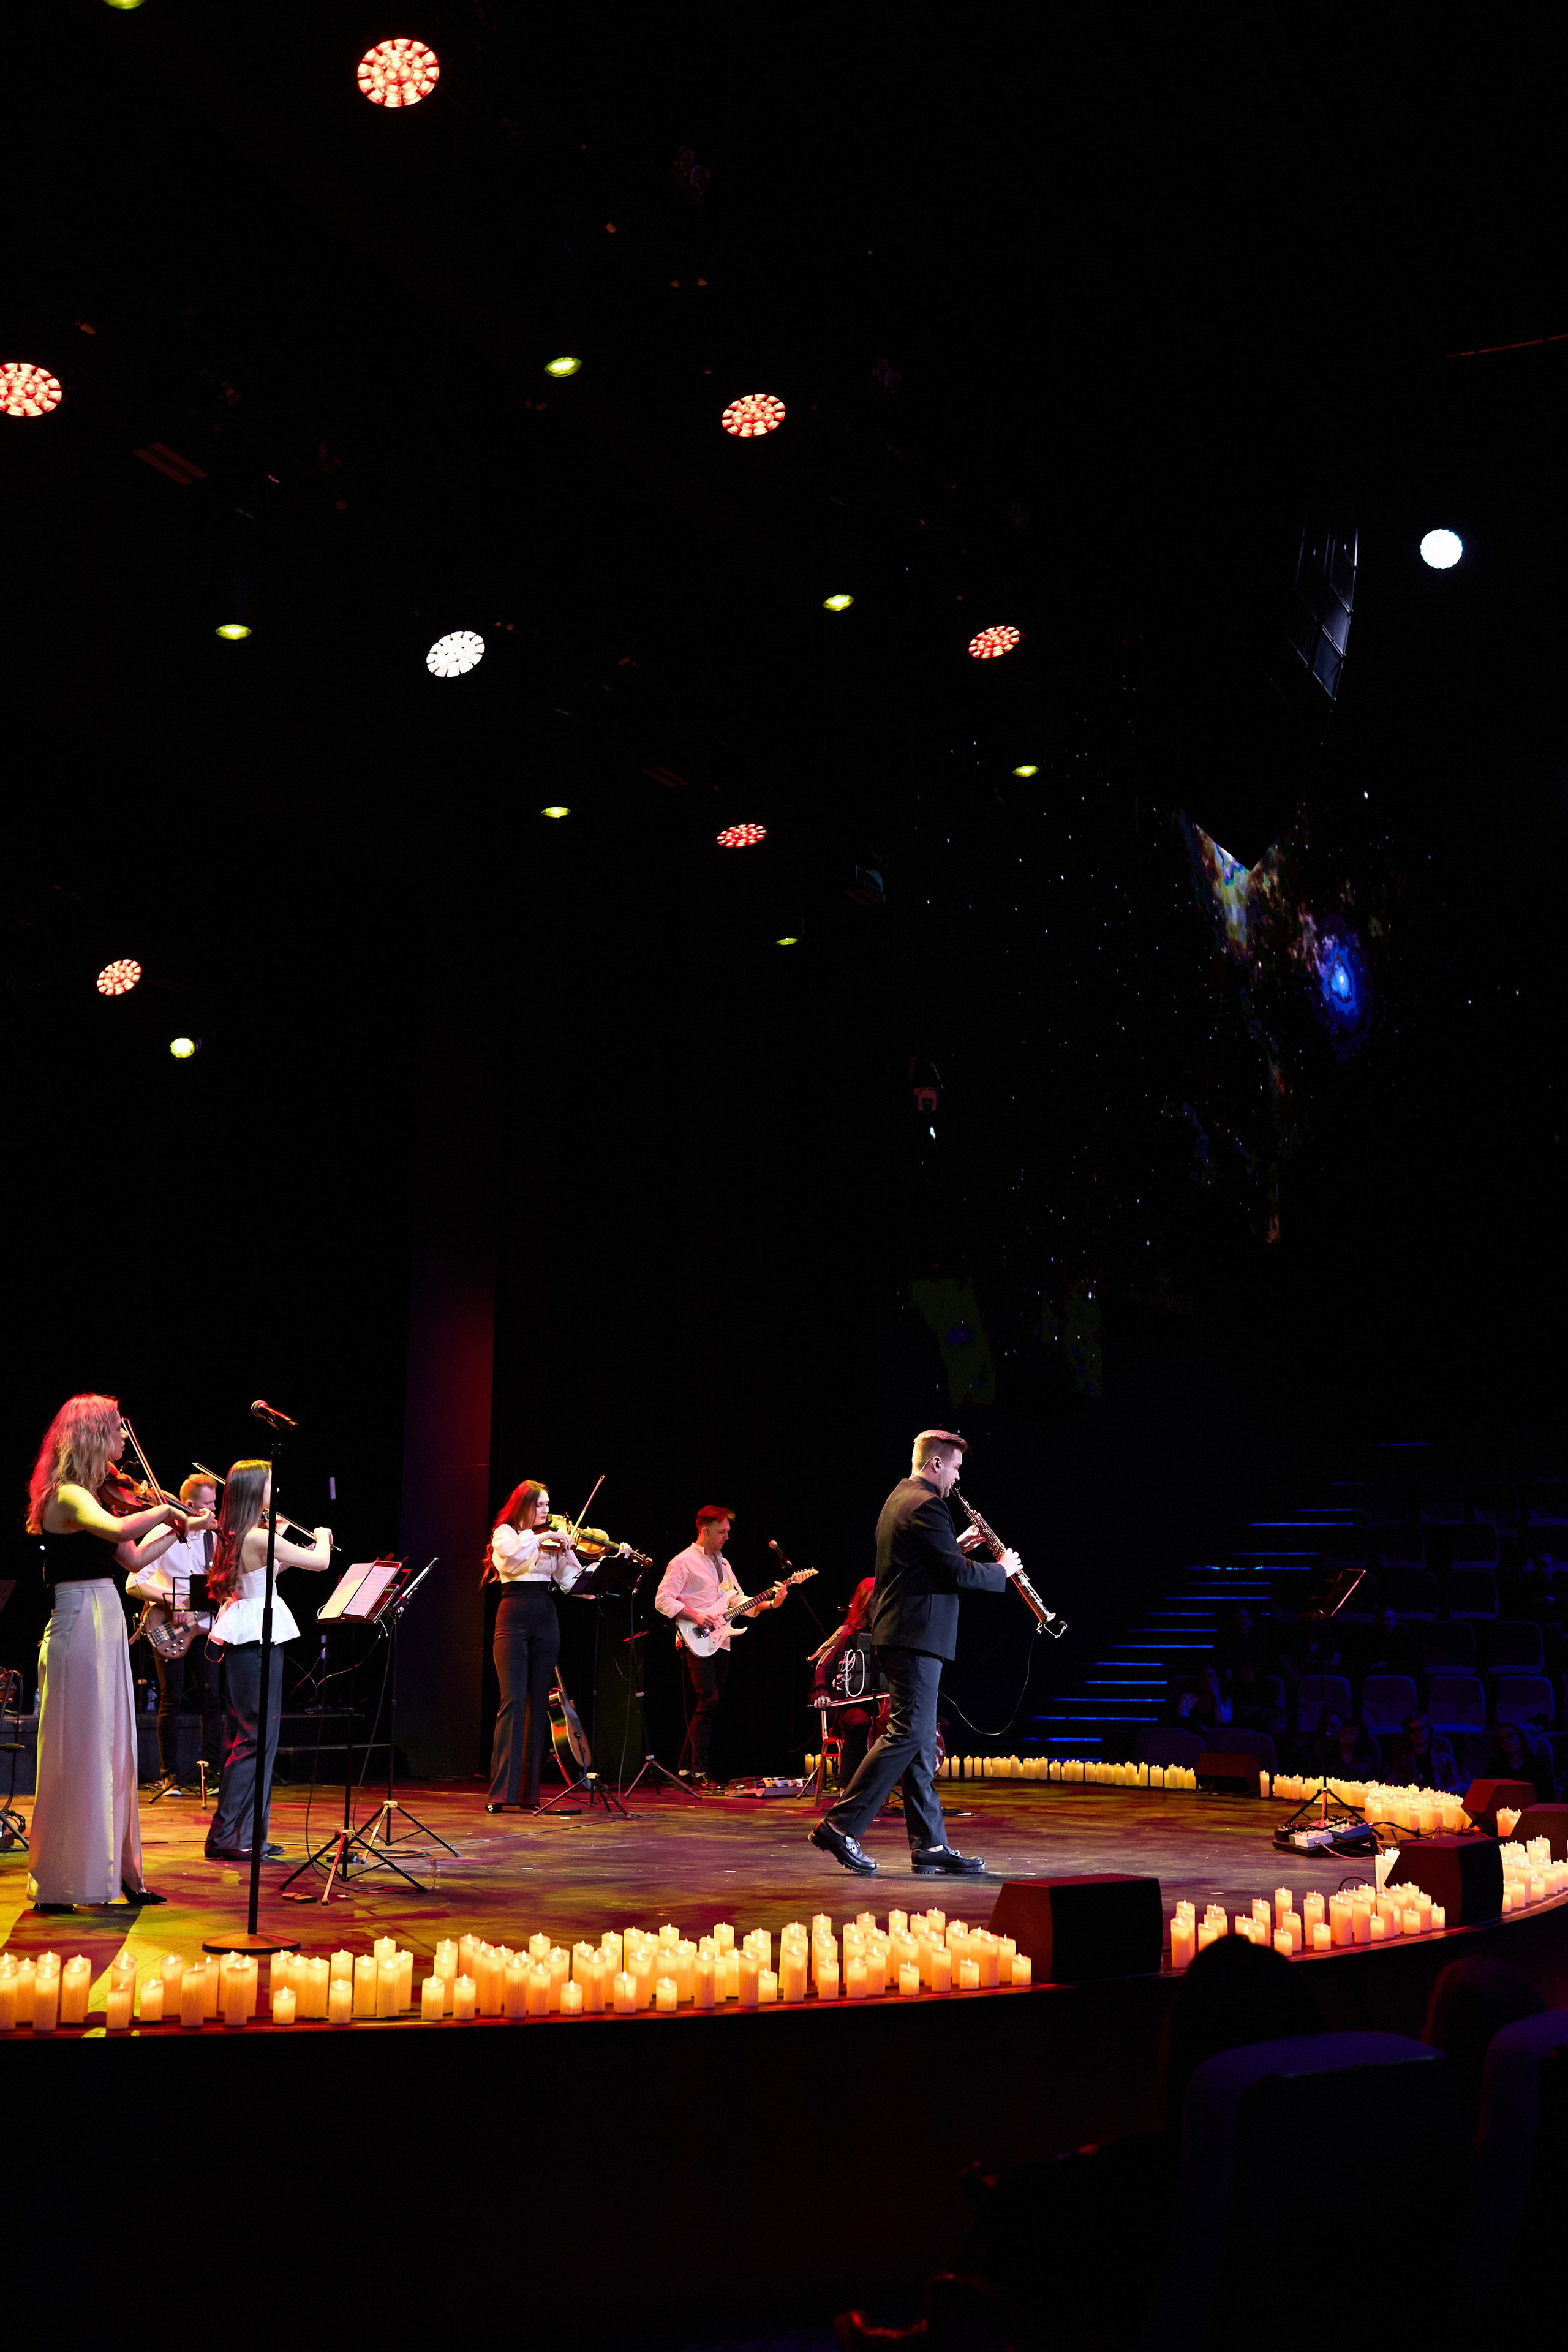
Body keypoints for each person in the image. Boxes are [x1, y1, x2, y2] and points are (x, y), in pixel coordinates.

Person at [810, 1430, 1019, 1880]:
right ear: (937, 1464)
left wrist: (954, 1545)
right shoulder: (927, 1504)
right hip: (915, 1636)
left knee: (921, 1743)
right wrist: (1001, 1571)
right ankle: (839, 1826)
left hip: (904, 1634)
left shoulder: (900, 1498)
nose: (958, 1478)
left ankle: (931, 1845)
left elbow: (921, 1565)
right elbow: (955, 1575)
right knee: (906, 1734)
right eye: (956, 1468)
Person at [24, 1392, 203, 1912]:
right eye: (117, 1429)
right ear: (93, 1435)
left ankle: (123, 1873)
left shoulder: (97, 1495)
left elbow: (135, 1557)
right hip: (79, 1619)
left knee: (115, 1748)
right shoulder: (68, 1496)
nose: (124, 1438)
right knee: (78, 1750)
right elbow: (120, 1529)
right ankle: (63, 1879)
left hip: (104, 1617)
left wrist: (183, 1527)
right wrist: (167, 1509)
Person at [203, 1458, 332, 1861]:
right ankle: (230, 1836)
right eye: (269, 1484)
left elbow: (264, 1575)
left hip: (252, 1634)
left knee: (255, 1739)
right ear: (254, 1489)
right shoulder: (257, 1535)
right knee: (255, 1739)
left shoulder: (240, 1534)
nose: (275, 1491)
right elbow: (323, 1562)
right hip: (255, 1638)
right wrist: (322, 1538)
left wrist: (291, 1551)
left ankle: (248, 1834)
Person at [655, 1504, 785, 1788]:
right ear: (705, 1531)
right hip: (695, 1638)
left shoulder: (723, 1564)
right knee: (708, 1701)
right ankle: (700, 1770)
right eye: (722, 1532)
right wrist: (696, 1615)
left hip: (721, 1640)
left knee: (709, 1705)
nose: (727, 1537)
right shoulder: (683, 1562)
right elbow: (662, 1600)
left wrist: (772, 1603)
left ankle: (685, 1768)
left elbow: (738, 1600)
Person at [483, 1479, 587, 1813]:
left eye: (547, 1505)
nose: (546, 1511)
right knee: (512, 1700)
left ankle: (529, 1794)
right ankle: (502, 1793)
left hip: (545, 1616)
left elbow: (573, 1583)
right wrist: (543, 1537)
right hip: (513, 1614)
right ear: (524, 1506)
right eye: (540, 1505)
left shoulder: (553, 1540)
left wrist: (607, 1564)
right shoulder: (506, 1533)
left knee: (538, 1702)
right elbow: (513, 1558)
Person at [124, 1470, 222, 1798]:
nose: (215, 1510)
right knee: (172, 1698)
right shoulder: (162, 1531)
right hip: (168, 1626)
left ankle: (213, 1774)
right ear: (190, 1506)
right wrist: (171, 1599)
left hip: (205, 1627)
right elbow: (133, 1583)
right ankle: (170, 1777)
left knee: (212, 1698)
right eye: (209, 1504)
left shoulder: (214, 1538)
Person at [809, 1575, 880, 1789]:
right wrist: (821, 1692)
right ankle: (847, 1789)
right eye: (876, 1602)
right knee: (860, 1724)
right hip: (853, 1706)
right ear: (865, 1605)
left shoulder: (891, 1634)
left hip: (885, 1706)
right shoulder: (849, 1635)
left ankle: (909, 1790)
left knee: (930, 1725)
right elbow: (823, 1666)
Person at [1485, 1718, 1557, 1803]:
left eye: (1510, 1736)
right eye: (1501, 1739)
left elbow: (1546, 1796)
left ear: (1521, 1737)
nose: (1505, 1741)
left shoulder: (1538, 1767)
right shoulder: (1493, 1768)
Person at [1387, 1711, 1461, 1792]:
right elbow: (1389, 1784)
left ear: (1429, 1730)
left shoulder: (1444, 1760)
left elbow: (1457, 1785)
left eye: (1420, 1729)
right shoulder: (1401, 1762)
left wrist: (1439, 1795)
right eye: (1412, 1730)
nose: (1416, 1733)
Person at [1176, 1665, 1232, 1733]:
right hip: (1193, 1736)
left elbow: (1224, 1722)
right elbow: (1183, 1720)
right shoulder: (1187, 1698)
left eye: (1211, 1676)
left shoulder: (1226, 1700)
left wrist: (1216, 1696)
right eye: (1204, 1677)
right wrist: (1199, 1727)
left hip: (1216, 1737)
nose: (1207, 1679)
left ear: (1217, 1680)